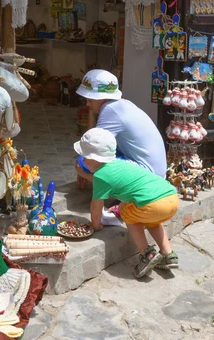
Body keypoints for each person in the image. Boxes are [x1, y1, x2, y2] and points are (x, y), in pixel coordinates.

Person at [74, 128, 179, 278]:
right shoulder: (119, 165)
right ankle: (168, 254)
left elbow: (96, 206)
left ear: (92, 159)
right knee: (152, 220)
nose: (82, 160)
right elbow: (111, 183)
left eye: (83, 157)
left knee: (127, 213)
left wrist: (96, 225)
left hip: (153, 204)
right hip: (170, 197)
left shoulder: (100, 176)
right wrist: (84, 174)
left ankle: (146, 253)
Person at [74, 69, 167, 184]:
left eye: (90, 100)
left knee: (83, 163)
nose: (87, 104)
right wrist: (92, 110)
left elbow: (92, 146)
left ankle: (103, 187)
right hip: (155, 174)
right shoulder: (121, 105)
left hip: (147, 177)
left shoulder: (110, 110)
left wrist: (83, 172)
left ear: (100, 97)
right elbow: (90, 140)